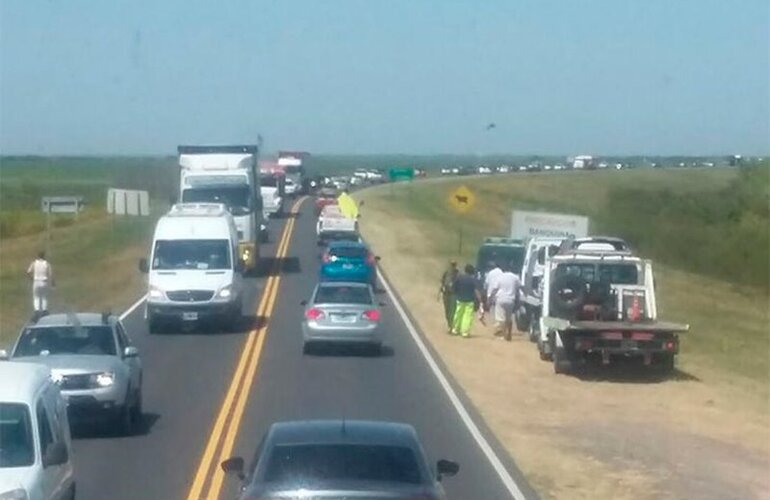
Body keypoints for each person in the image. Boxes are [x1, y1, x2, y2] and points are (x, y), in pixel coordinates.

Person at [489, 262, 523, 341]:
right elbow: (519, 288)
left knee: (501, 319)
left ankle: (504, 336)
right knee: (509, 318)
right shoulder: (515, 277)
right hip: (511, 300)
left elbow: (495, 289)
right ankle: (509, 334)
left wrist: (490, 298)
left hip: (501, 299)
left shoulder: (500, 277)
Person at [451, 264, 484, 338]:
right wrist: (480, 300)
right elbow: (476, 291)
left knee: (458, 314)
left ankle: (455, 329)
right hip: (469, 301)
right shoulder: (473, 280)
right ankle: (465, 332)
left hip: (460, 299)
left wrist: (456, 294)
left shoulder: (459, 277)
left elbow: (454, 287)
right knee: (467, 316)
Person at [27, 251, 53, 317]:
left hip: (36, 281)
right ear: (44, 256)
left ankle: (37, 310)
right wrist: (53, 283)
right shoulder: (47, 263)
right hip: (44, 281)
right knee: (44, 297)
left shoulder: (34, 263)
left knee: (36, 297)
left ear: (38, 256)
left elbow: (28, 272)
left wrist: (31, 279)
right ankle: (44, 310)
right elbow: (50, 274)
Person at [438, 260, 459, 331]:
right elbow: (442, 283)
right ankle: (450, 324)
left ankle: (452, 326)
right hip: (446, 294)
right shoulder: (446, 273)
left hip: (453, 294)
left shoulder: (457, 274)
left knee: (452, 311)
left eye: (454, 264)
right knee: (447, 311)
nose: (453, 266)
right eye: (452, 264)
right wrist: (439, 293)